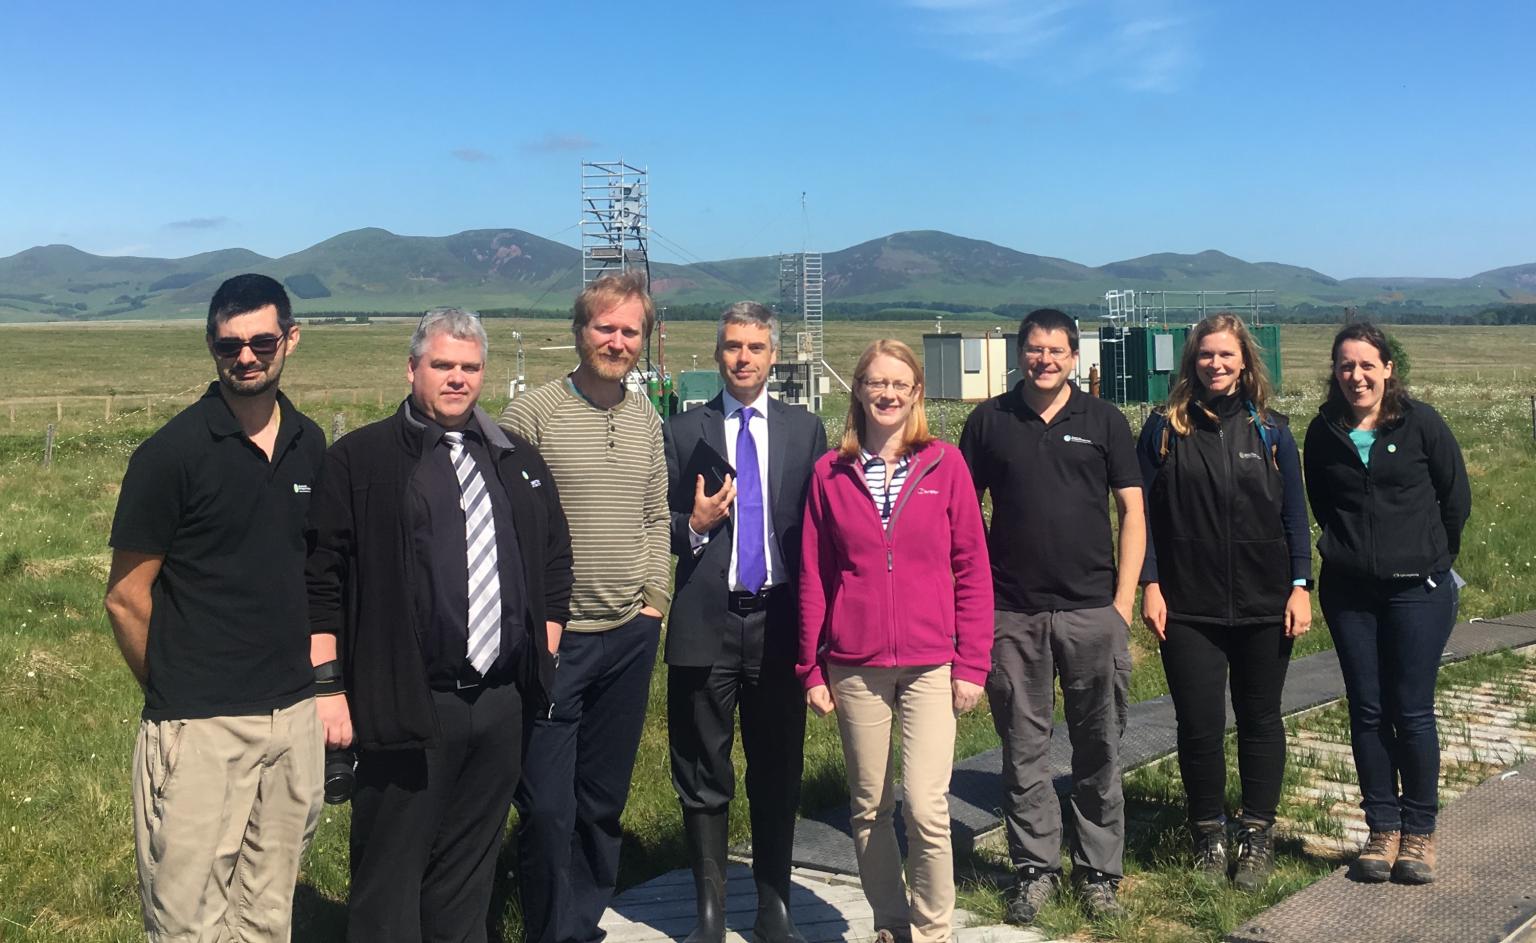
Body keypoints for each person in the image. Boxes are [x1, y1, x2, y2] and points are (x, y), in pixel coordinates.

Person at [305, 308, 571, 942]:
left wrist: (543, 654)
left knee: (468, 873)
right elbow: (321, 580)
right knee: (389, 876)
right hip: (404, 700)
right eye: (443, 365)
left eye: (470, 367)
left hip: (499, 701)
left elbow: (555, 558)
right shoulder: (359, 460)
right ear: (412, 368)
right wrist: (328, 688)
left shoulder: (513, 456)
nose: (458, 379)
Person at [104, 273, 324, 942]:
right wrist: (176, 687)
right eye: (229, 346)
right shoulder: (169, 457)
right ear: (211, 346)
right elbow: (125, 595)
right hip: (198, 726)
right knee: (188, 921)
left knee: (268, 911)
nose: (247, 358)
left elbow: (313, 577)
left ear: (291, 339)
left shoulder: (310, 444)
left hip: (293, 717)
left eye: (262, 341)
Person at [798, 339, 992, 943]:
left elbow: (972, 567)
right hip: (855, 667)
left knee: (928, 808)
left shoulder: (945, 464)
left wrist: (973, 664)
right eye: (875, 383)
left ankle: (934, 931)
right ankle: (889, 923)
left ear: (915, 395)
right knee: (869, 808)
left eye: (899, 384)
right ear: (857, 390)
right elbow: (814, 574)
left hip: (933, 663)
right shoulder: (829, 473)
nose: (886, 393)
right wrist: (811, 667)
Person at [499, 271, 672, 943]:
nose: (617, 340)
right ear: (580, 331)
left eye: (630, 330)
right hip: (553, 639)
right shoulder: (533, 416)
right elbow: (503, 526)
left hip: (628, 635)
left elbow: (657, 516)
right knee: (546, 804)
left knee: (602, 802)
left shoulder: (646, 419)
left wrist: (654, 601)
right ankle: (546, 927)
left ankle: (580, 921)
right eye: (606, 326)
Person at [958, 309, 1145, 923]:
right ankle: (1036, 869)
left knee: (1099, 746)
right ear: (1021, 353)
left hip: (1093, 611)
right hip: (1013, 615)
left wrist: (1122, 605)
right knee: (1023, 748)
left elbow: (1133, 513)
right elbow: (964, 516)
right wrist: (977, 603)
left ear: (1073, 355)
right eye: (1035, 350)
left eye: (1056, 350)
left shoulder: (1104, 419)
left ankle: (1098, 873)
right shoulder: (989, 421)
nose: (1045, 360)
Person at [663, 302, 828, 943]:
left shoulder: (803, 430)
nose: (743, 358)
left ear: (773, 355)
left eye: (756, 347)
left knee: (777, 766)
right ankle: (709, 911)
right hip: (707, 621)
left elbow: (820, 528)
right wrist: (695, 528)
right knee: (702, 768)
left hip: (780, 622)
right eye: (732, 346)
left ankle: (773, 906)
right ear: (717, 353)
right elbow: (660, 530)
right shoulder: (682, 432)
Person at [1136, 313, 1312, 891]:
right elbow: (1142, 519)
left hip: (1266, 602)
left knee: (1261, 721)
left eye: (1226, 355)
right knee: (1199, 725)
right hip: (1187, 606)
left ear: (1245, 362)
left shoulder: (1272, 430)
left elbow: (1294, 517)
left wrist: (1300, 586)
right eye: (1206, 354)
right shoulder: (1164, 429)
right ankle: (1208, 832)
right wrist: (1151, 583)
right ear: (1192, 361)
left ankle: (1256, 834)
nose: (1216, 364)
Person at [1303, 322, 1470, 885]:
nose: (1356, 376)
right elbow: (1323, 504)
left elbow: (1456, 497)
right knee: (1368, 710)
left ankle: (1419, 833)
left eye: (1367, 364)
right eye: (1346, 366)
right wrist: (1351, 552)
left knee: (1412, 709)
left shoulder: (1422, 424)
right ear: (1336, 371)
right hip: (1350, 592)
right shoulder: (1323, 432)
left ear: (1388, 367)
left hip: (1416, 591)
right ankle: (1381, 828)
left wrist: (1435, 562)